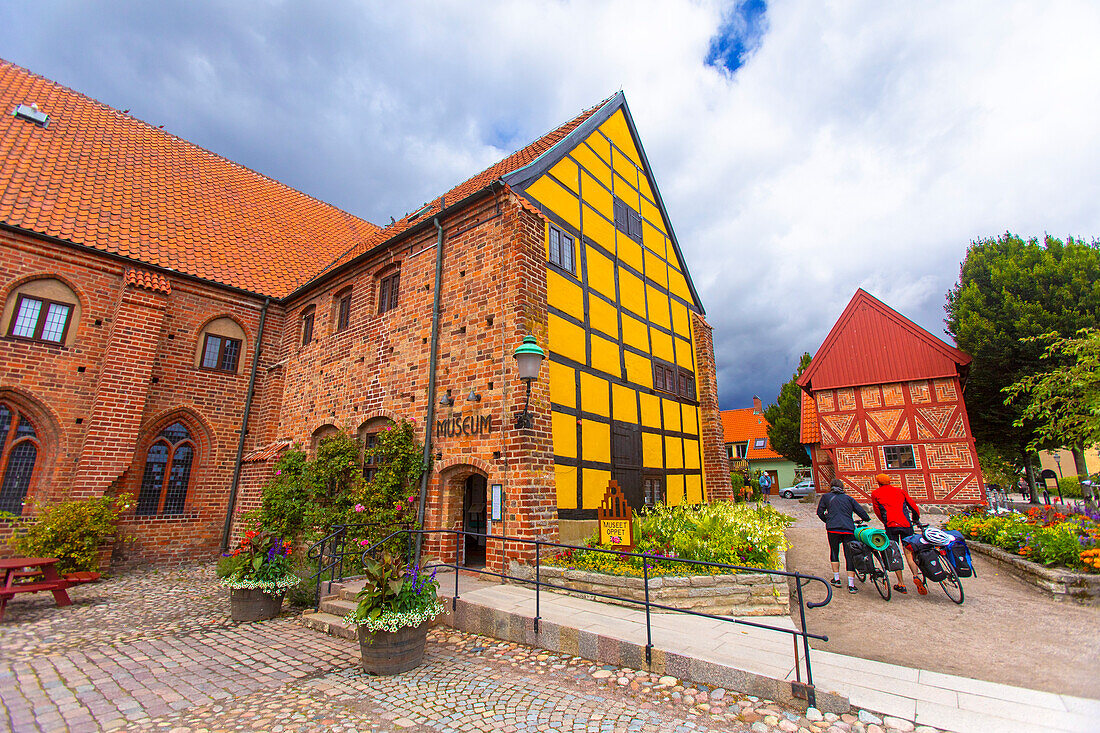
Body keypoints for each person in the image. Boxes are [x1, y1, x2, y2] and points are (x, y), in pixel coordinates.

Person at [870, 473, 924, 595]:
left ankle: (901, 583)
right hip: (906, 524)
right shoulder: (900, 491)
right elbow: (913, 506)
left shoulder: (876, 494)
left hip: (891, 525)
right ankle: (916, 576)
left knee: (894, 553)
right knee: (909, 552)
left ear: (878, 482)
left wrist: (884, 521)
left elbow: (877, 510)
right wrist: (915, 519)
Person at [816, 478, 870, 593]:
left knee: (834, 551)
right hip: (848, 529)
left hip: (833, 529)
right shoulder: (849, 499)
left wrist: (828, 520)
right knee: (849, 554)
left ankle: (836, 579)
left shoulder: (826, 497)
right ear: (842, 487)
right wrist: (865, 518)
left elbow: (819, 512)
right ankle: (851, 584)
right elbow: (861, 512)